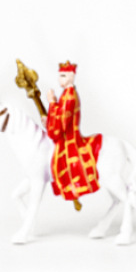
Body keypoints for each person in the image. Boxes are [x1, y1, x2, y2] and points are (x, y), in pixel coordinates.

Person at [45, 62, 102, 203]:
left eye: (63, 76)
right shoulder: (66, 94)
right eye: (59, 76)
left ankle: (73, 188)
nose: (60, 79)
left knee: (60, 162)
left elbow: (62, 123)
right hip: (66, 135)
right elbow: (60, 112)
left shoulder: (70, 96)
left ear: (71, 77)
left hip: (69, 137)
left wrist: (52, 103)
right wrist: (53, 107)